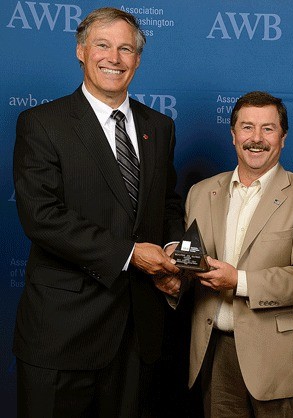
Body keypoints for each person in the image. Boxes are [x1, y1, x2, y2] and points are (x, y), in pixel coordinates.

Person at [12, 7, 184, 417]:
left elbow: (168, 202)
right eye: (103, 45)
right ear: (80, 51)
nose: (115, 58)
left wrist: (175, 248)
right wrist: (130, 254)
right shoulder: (42, 123)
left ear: (137, 60)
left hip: (136, 332)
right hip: (62, 333)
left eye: (126, 49)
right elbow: (42, 215)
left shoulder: (159, 126)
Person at [160, 91, 293, 417]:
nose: (256, 138)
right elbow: (191, 262)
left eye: (268, 129)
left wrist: (238, 280)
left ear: (283, 137)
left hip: (279, 359)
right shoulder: (201, 192)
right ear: (233, 135)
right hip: (215, 352)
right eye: (247, 127)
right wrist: (173, 278)